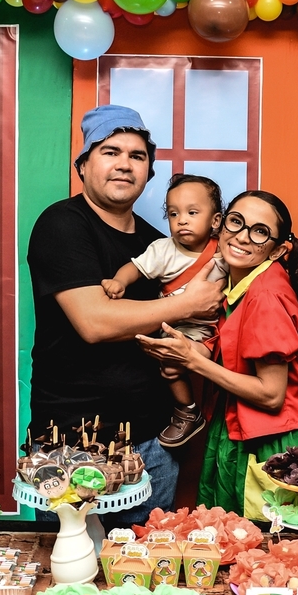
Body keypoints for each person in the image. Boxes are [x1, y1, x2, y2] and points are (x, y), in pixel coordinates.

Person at [27, 105, 224, 521]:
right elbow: (95, 323)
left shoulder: (158, 245)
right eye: (110, 152)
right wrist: (188, 303)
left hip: (152, 443)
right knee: (71, 557)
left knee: (145, 557)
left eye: (137, 156)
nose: (124, 164)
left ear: (148, 172)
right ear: (83, 165)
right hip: (73, 443)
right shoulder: (62, 224)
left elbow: (180, 326)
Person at [137, 190, 298, 519]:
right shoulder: (234, 281)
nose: (242, 236)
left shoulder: (265, 295)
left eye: (259, 232)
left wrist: (192, 361)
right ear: (221, 224)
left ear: (277, 250)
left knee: (268, 544)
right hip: (239, 428)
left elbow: (271, 395)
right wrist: (181, 350)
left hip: (277, 442)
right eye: (236, 222)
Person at [102, 173, 228, 447]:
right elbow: (135, 268)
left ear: (216, 220)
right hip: (177, 328)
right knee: (170, 363)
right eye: (173, 213)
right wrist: (119, 281)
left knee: (189, 362)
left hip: (213, 332)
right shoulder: (163, 250)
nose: (181, 220)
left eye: (192, 212)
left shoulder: (226, 251)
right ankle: (188, 411)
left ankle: (200, 409)